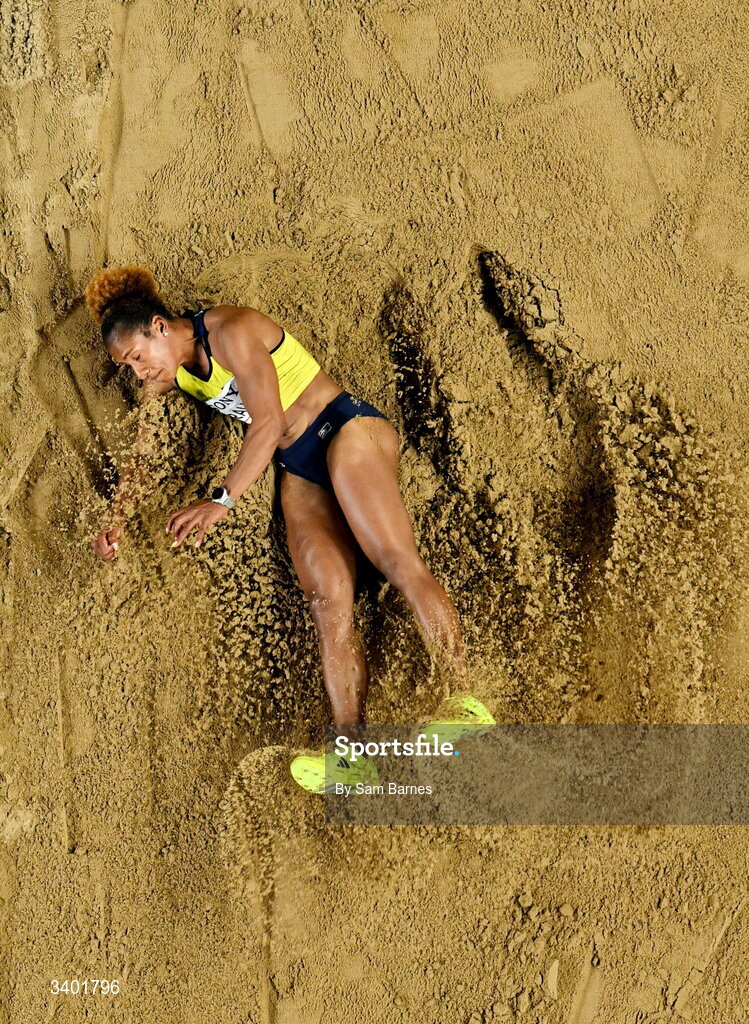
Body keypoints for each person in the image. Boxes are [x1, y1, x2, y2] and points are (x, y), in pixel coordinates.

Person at [88, 265, 493, 793]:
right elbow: (140, 452)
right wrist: (117, 517)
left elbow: (269, 423)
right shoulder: (176, 373)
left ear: (160, 327)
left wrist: (220, 500)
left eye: (136, 358)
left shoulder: (230, 329)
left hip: (344, 430)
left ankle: (464, 700)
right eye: (126, 367)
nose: (137, 373)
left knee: (395, 560)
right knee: (327, 602)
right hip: (300, 469)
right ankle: (354, 755)